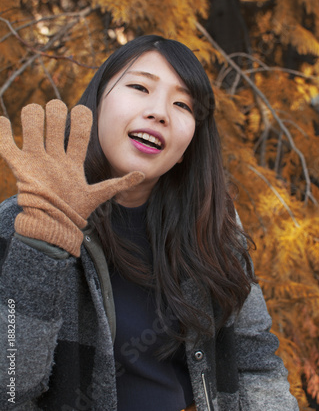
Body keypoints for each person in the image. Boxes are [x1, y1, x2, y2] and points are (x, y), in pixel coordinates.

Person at [0, 35, 298, 411]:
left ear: (188, 145)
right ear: (96, 102)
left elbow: (256, 364)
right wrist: (43, 243)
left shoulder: (214, 231)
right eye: (140, 87)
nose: (160, 112)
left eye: (182, 104)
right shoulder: (21, 224)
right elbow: (9, 390)